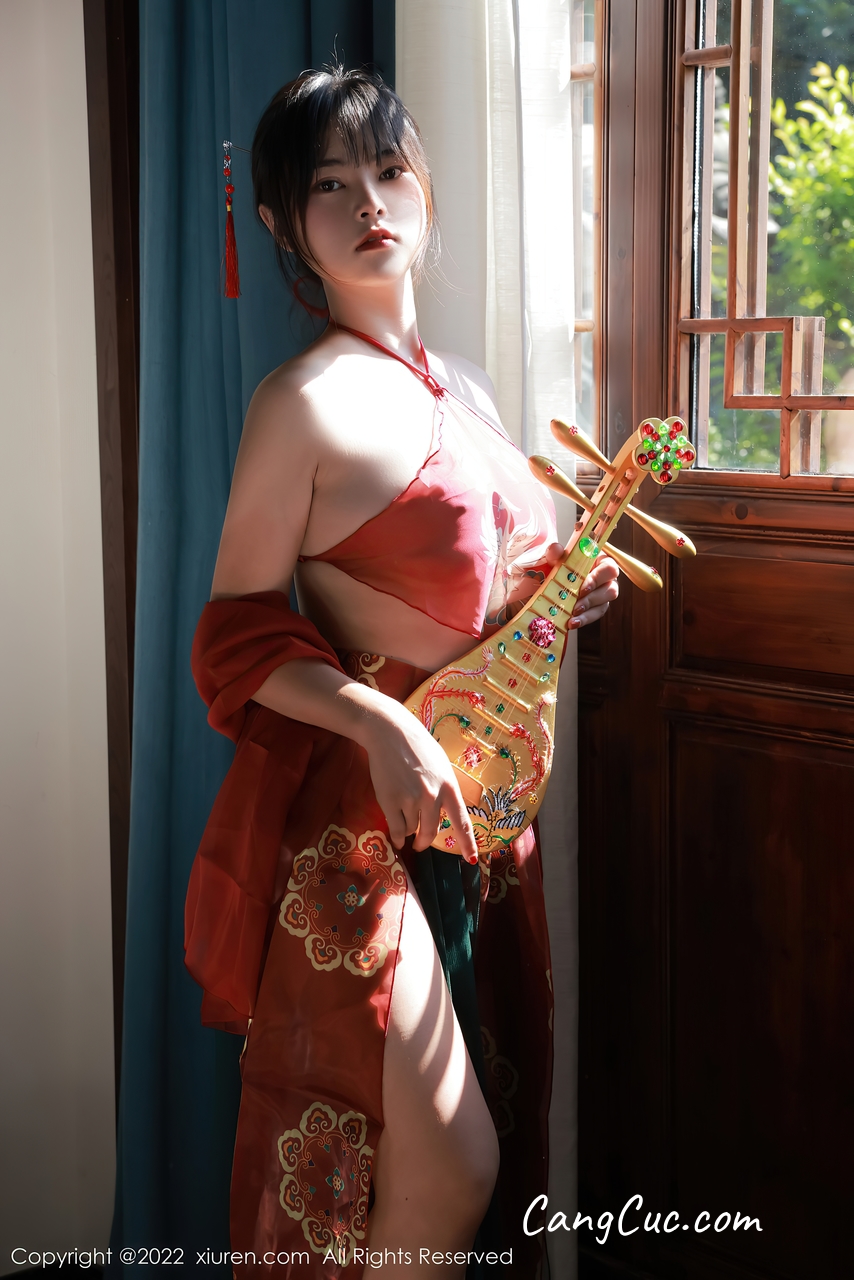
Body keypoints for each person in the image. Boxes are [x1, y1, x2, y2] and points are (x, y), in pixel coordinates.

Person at [184, 68, 619, 1280]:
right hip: (360, 813)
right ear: (281, 222)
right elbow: (232, 635)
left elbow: (481, 589)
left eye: (385, 170)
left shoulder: (464, 384)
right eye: (328, 184)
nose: (367, 201)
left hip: (476, 801)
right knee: (445, 1162)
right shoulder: (299, 402)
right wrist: (380, 721)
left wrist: (555, 592)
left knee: (474, 1148)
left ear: (423, 186)